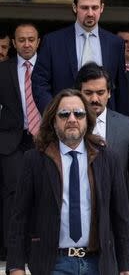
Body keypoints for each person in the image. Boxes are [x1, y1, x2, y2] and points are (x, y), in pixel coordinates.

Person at [6, 89, 129, 275]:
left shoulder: (108, 159)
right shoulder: (34, 160)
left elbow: (122, 218)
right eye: (64, 114)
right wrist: (16, 266)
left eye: (79, 113)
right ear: (53, 120)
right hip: (53, 265)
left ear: (87, 119)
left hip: (98, 264)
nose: (72, 119)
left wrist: (127, 267)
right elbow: (19, 217)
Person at [74, 63, 129, 256]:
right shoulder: (66, 124)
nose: (95, 99)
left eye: (100, 92)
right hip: (75, 214)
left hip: (115, 215)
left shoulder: (126, 126)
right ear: (78, 93)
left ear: (109, 93)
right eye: (88, 93)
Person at [32, 0, 128, 115]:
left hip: (104, 123)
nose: (90, 13)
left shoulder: (115, 43)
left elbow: (121, 89)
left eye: (94, 7)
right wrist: (54, 114)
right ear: (74, 7)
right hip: (65, 120)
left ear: (102, 8)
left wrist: (118, 123)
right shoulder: (52, 42)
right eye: (84, 7)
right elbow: (39, 83)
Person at [0, 23, 41, 260]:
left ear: (38, 41)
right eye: (21, 40)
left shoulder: (48, 68)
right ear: (14, 43)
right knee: (14, 195)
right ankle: (12, 248)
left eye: (31, 39)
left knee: (42, 193)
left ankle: (36, 247)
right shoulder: (3, 69)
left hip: (43, 140)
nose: (26, 44)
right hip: (11, 141)